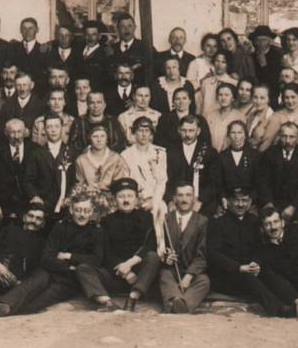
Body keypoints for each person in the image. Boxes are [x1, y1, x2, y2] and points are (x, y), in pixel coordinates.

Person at [0, 194, 107, 316]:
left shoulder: (97, 231)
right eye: (78, 210)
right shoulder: (60, 227)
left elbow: (96, 260)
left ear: (91, 212)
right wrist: (69, 266)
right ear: (72, 211)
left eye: (86, 211)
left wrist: (69, 257)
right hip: (51, 271)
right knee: (30, 285)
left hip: (70, 279)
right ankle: (2, 304)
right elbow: (47, 258)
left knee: (41, 301)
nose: (82, 215)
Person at [208, 188, 298, 318]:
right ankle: (280, 310)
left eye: (244, 200)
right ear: (228, 202)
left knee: (266, 271)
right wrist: (238, 268)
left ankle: (296, 301)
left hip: (249, 271)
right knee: (247, 276)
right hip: (226, 276)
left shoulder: (254, 221)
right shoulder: (217, 223)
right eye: (236, 200)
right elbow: (213, 254)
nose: (241, 204)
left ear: (250, 202)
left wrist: (256, 263)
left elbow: (259, 248)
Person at [78, 178, 162, 311]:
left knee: (153, 257)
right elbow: (105, 252)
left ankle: (133, 298)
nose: (126, 200)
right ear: (115, 199)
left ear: (136, 198)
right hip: (115, 275)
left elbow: (150, 245)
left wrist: (129, 265)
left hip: (140, 277)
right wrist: (125, 273)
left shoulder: (147, 217)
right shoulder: (107, 221)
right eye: (121, 196)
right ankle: (107, 303)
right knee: (83, 268)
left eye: (130, 196)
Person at [157, 183, 211, 314]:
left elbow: (203, 254)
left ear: (194, 198)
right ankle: (176, 300)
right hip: (171, 270)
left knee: (204, 281)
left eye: (188, 195)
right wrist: (165, 257)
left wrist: (189, 276)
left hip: (191, 272)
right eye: (180, 195)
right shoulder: (164, 219)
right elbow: (158, 244)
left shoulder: (202, 221)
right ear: (174, 198)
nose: (184, 199)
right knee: (164, 275)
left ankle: (181, 305)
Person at [257, 122, 298, 224]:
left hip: (297, 205)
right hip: (273, 202)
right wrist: (269, 203)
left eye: (292, 137)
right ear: (279, 136)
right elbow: (262, 182)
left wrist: (293, 207)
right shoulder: (269, 154)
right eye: (284, 136)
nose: (287, 141)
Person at [121, 118, 168, 240]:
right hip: (136, 201)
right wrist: (138, 200)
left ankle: (161, 253)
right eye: (140, 130)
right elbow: (126, 182)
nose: (143, 134)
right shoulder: (125, 155)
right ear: (134, 133)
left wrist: (155, 201)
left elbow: (162, 180)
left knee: (160, 214)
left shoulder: (160, 153)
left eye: (147, 131)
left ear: (151, 133)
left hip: (156, 199)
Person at [165, 115, 221, 218]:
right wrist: (169, 200)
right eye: (184, 130)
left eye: (191, 131)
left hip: (203, 203)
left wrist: (201, 201)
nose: (187, 135)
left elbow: (214, 183)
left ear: (198, 131)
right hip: (177, 201)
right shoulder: (170, 152)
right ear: (178, 130)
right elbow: (167, 180)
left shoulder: (210, 152)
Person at [23, 114, 76, 219]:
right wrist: (35, 196)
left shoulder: (72, 153)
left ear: (62, 128)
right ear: (44, 130)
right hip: (43, 205)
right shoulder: (35, 153)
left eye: (56, 126)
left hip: (66, 205)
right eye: (49, 127)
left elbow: (76, 180)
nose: (53, 130)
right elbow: (28, 180)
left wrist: (70, 198)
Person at [0, 119, 33, 223]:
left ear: (25, 132)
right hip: (3, 203)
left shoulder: (35, 150)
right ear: (6, 133)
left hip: (28, 201)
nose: (16, 136)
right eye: (12, 132)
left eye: (19, 132)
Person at [259, 83, 298, 152]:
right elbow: (268, 139)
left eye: (293, 97)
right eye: (286, 98)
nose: (290, 101)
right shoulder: (277, 115)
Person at [72, 124, 129, 193]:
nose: (99, 140)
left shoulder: (116, 158)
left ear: (107, 139)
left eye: (102, 136)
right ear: (90, 139)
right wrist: (87, 189)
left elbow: (119, 184)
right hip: (88, 197)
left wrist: (106, 187)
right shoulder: (81, 160)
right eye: (95, 136)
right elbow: (79, 185)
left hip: (111, 197)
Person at [218, 120, 260, 207]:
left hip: (250, 202)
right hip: (228, 202)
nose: (236, 136)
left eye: (239, 132)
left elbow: (259, 182)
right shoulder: (221, 156)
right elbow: (218, 183)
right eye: (233, 133)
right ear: (228, 135)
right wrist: (223, 198)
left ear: (245, 135)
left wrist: (251, 199)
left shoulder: (255, 155)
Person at [111, 13, 152, 86]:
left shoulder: (145, 48)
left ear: (135, 27)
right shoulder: (112, 49)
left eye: (129, 26)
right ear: (117, 29)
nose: (126, 30)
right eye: (122, 26)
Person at [9, 17, 47, 93]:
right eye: (24, 28)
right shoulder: (13, 48)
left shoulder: (44, 51)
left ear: (37, 30)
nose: (27, 32)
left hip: (38, 93)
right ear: (20, 30)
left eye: (31, 28)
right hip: (17, 92)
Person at [204, 83, 246, 152]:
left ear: (232, 98)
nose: (223, 98)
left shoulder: (239, 116)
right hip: (211, 155)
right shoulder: (210, 116)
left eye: (227, 95)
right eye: (220, 95)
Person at [74, 20, 113, 93]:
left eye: (94, 34)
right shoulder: (77, 51)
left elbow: (108, 79)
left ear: (99, 36)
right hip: (79, 92)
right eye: (87, 34)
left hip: (96, 93)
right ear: (84, 36)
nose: (90, 38)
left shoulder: (105, 54)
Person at [196, 52, 238, 116]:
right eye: (217, 61)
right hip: (206, 118)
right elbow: (199, 105)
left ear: (228, 64)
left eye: (223, 62)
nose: (219, 65)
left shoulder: (234, 83)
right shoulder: (206, 82)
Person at [250, 25, 282, 95]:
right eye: (258, 40)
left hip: (272, 94)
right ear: (254, 42)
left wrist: (264, 65)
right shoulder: (251, 57)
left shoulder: (277, 56)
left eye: (264, 40)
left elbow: (275, 81)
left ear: (269, 41)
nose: (261, 43)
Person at [186, 33, 218, 98]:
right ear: (202, 47)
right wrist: (203, 80)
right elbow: (188, 87)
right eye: (208, 46)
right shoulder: (195, 63)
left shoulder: (218, 63)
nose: (212, 49)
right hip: (200, 99)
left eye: (215, 46)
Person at [245, 84, 274, 150]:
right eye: (255, 97)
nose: (258, 101)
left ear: (269, 99)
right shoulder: (251, 115)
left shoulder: (272, 118)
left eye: (262, 98)